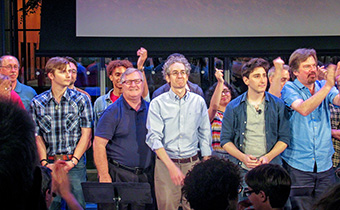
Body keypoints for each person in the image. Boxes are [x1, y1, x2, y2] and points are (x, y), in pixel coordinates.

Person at [146, 53, 212, 210]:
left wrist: (206, 163)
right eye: (175, 73)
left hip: (193, 164)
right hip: (166, 165)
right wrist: (171, 168)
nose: (180, 76)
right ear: (167, 78)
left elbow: (204, 134)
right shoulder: (158, 103)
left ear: (187, 75)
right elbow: (153, 138)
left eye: (183, 72)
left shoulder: (198, 101)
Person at [281, 48, 340, 210]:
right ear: (295, 71)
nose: (313, 69)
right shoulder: (289, 88)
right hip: (298, 165)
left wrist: (336, 82)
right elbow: (304, 109)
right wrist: (328, 86)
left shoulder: (322, 85)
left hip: (325, 165)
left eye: (314, 65)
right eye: (307, 66)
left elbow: (338, 99)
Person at [30, 57, 93, 210]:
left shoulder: (82, 100)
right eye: (62, 72)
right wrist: (45, 163)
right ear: (51, 75)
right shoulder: (37, 103)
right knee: (50, 205)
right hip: (49, 164)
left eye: (69, 72)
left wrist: (73, 162)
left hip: (74, 164)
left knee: (77, 204)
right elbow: (37, 137)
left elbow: (86, 135)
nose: (68, 75)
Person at [220, 58, 291, 189]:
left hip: (271, 169)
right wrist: (243, 157)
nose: (262, 80)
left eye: (264, 75)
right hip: (243, 170)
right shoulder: (233, 107)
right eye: (257, 76)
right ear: (246, 80)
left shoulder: (278, 105)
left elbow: (285, 138)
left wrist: (268, 157)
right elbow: (225, 140)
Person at [93, 68, 153, 210]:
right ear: (121, 84)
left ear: (143, 83)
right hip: (118, 176)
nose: (133, 85)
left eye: (137, 81)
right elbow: (99, 144)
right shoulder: (112, 112)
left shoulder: (151, 109)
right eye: (128, 82)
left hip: (145, 176)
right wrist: (104, 175)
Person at [93, 47, 149, 129]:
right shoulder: (100, 102)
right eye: (117, 75)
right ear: (111, 77)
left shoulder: (136, 99)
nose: (121, 78)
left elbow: (145, 97)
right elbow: (97, 130)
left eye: (124, 75)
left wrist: (140, 67)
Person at [205, 68, 238, 159]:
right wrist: (220, 82)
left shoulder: (236, 113)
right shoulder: (212, 114)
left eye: (226, 91)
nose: (223, 95)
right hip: (217, 155)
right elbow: (214, 107)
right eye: (220, 92)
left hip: (236, 155)